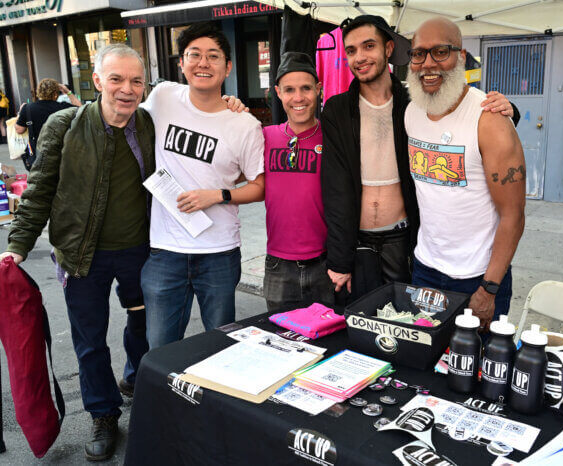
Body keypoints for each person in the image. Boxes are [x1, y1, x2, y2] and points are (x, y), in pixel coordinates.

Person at [0, 44, 153, 461]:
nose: (127, 89)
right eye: (116, 79)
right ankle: (103, 415)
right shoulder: (64, 125)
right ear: (98, 81)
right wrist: (17, 246)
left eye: (136, 80)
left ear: (145, 85)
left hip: (140, 250)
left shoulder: (149, 123)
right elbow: (40, 189)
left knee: (144, 326)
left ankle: (135, 378)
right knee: (89, 342)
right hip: (80, 254)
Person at [320, 15, 514, 302]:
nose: (359, 57)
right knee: (362, 328)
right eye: (351, 51)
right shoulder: (336, 110)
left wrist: (510, 109)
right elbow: (335, 189)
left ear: (388, 49)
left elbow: (458, 109)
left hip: (405, 241)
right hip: (357, 242)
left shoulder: (415, 104)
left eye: (368, 46)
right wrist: (338, 258)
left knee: (407, 329)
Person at [140, 23, 264, 349]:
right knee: (161, 348)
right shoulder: (162, 97)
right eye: (194, 55)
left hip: (219, 253)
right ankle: (164, 400)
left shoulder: (245, 125)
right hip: (164, 250)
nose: (203, 63)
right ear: (181, 63)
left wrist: (218, 195)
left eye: (213, 56)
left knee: (221, 346)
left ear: (228, 66)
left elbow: (259, 186)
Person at [405, 17, 526, 330]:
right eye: (418, 53)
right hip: (425, 269)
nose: (428, 64)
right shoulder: (412, 112)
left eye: (440, 52)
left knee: (473, 373)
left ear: (460, 56)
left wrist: (490, 288)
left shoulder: (490, 121)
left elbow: (513, 215)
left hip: (478, 279)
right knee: (421, 369)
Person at [262, 52, 334, 312]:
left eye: (306, 88)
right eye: (289, 90)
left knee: (329, 345)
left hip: (326, 264)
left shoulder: (333, 138)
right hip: (278, 264)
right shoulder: (264, 137)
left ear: (318, 90)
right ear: (278, 92)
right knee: (281, 343)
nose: (298, 98)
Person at [15, 78, 81, 170]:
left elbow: (19, 130)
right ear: (55, 93)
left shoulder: (28, 108)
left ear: (38, 92)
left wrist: (20, 113)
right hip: (61, 152)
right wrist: (68, 92)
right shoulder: (62, 107)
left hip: (37, 154)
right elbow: (81, 109)